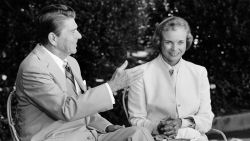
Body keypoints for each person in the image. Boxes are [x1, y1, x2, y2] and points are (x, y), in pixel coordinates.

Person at [15, 4, 154, 141]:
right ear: (53, 38)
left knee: (139, 133)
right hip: (55, 137)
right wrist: (112, 86)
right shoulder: (33, 68)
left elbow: (83, 108)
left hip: (87, 135)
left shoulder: (71, 63)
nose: (79, 36)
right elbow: (67, 110)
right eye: (72, 31)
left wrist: (107, 127)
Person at [127, 16, 214, 141]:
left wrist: (181, 122)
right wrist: (158, 128)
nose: (174, 48)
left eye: (180, 42)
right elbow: (136, 119)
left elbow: (206, 118)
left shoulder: (199, 72)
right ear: (159, 42)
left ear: (187, 42)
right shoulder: (140, 74)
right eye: (168, 42)